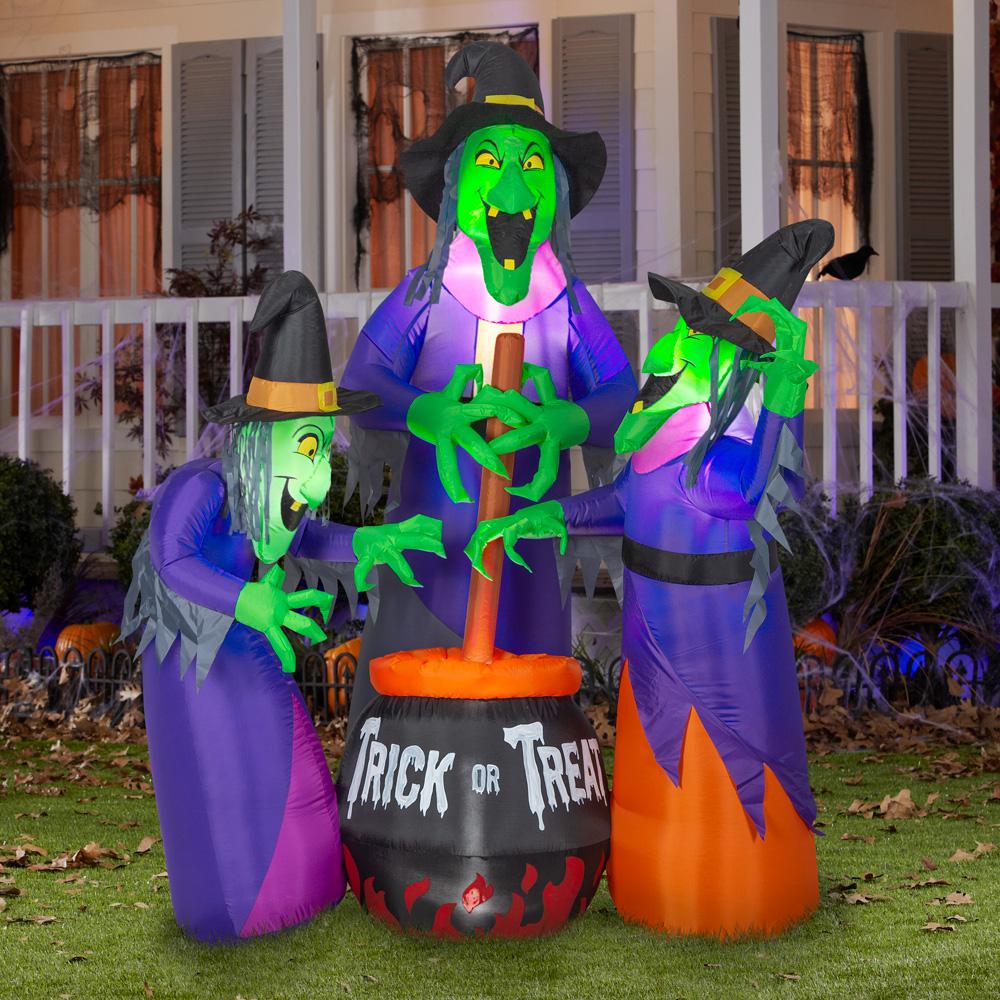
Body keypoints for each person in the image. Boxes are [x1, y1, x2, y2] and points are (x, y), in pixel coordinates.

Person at [466, 221, 834, 937]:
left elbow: (747, 489)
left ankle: (742, 892)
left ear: (737, 370)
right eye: (686, 329)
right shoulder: (662, 431)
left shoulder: (732, 450)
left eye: (701, 338)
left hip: (723, 633)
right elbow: (617, 503)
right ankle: (649, 882)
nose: (676, 346)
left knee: (720, 767)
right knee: (654, 761)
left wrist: (783, 400)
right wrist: (530, 520)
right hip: (652, 627)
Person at [121, 271, 443, 941]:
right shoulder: (201, 485)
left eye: (324, 448)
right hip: (195, 659)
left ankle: (309, 889)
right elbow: (173, 559)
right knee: (231, 778)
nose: (321, 474)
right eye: (306, 449)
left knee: (291, 775)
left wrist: (371, 540)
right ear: (255, 443)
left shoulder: (271, 500)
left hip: (245, 639)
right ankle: (236, 908)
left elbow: (310, 533)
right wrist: (250, 601)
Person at [341, 41, 636, 727]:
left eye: (532, 162)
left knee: (525, 693)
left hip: (531, 545)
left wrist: (564, 422)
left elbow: (623, 401)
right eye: (489, 160)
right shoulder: (428, 292)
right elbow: (362, 380)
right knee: (414, 696)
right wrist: (429, 415)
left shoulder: (565, 302)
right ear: (455, 187)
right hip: (432, 542)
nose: (512, 184)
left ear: (554, 188)